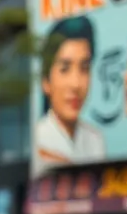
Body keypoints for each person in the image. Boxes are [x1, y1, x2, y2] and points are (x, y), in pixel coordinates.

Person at [33, 15, 106, 170]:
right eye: (64, 69)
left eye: (84, 68)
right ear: (46, 81)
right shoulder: (35, 141)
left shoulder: (95, 139)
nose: (76, 84)